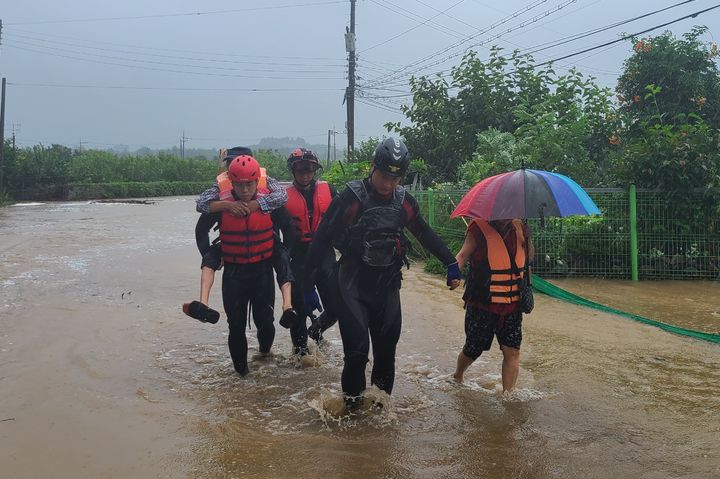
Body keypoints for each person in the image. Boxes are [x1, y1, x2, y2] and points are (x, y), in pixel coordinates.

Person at [303, 137, 462, 409]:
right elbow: (322, 238)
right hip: (352, 285)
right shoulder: (351, 198)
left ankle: (379, 417)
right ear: (373, 167)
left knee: (386, 355)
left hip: (387, 287)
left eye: (395, 178)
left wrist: (450, 262)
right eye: (384, 175)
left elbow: (423, 232)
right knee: (357, 354)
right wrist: (306, 286)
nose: (388, 184)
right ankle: (352, 418)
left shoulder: (404, 202)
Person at [183, 147, 295, 324]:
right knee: (210, 259)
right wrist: (227, 206)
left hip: (263, 257)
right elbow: (201, 207)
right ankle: (203, 304)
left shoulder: (267, 186)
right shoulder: (221, 190)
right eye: (231, 163)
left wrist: (257, 204)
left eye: (249, 183)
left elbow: (284, 206)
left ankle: (288, 306)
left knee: (281, 258)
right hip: (234, 265)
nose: (244, 188)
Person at [214, 154, 296, 375]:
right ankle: (241, 376)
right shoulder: (221, 203)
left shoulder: (268, 202)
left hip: (262, 271)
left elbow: (289, 227)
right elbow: (201, 230)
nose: (244, 189)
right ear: (231, 182)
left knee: (266, 322)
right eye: (239, 185)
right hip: (234, 274)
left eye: (249, 184)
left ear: (255, 181)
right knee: (236, 325)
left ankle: (264, 354)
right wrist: (210, 254)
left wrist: (283, 253)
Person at [452, 218, 534, 392]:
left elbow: (529, 258)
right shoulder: (477, 229)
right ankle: (458, 375)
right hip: (482, 303)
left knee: (512, 351)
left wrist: (528, 239)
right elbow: (463, 255)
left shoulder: (520, 227)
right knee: (473, 349)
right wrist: (453, 274)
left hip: (512, 304)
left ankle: (508, 396)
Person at [281, 148, 341, 355]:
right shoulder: (281, 198)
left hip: (324, 255)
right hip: (298, 257)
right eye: (300, 170)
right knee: (299, 311)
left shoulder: (330, 191)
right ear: (293, 171)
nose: (305, 175)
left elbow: (345, 220)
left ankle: (315, 331)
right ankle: (301, 355)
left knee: (335, 308)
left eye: (309, 170)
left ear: (315, 170)